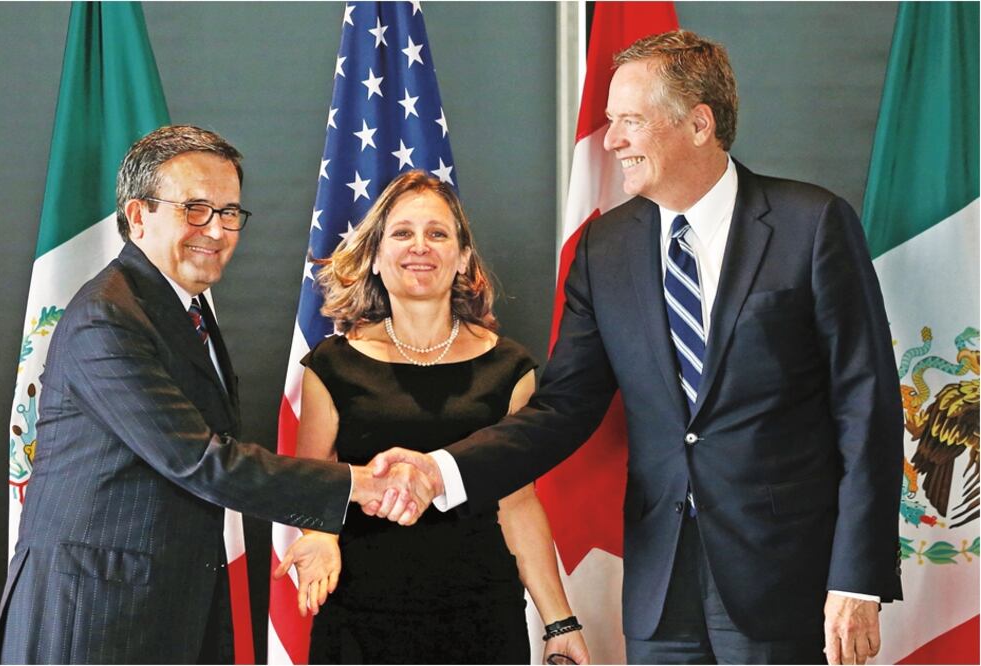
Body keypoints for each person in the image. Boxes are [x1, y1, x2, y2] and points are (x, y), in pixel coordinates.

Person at [372, 31, 904, 665]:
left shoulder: (811, 224)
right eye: (608, 122)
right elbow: (562, 408)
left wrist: (856, 578)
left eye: (630, 121)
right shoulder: (605, 249)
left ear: (699, 123)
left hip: (786, 583)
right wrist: (441, 470)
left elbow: (866, 408)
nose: (612, 140)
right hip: (659, 587)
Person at [0, 125, 428, 664]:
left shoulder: (184, 306)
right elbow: (200, 459)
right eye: (195, 209)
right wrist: (361, 483)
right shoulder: (107, 317)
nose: (216, 230)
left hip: (164, 601)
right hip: (93, 614)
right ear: (137, 216)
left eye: (229, 212)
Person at [274, 170, 590, 664]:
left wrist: (560, 622)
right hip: (359, 619)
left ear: (463, 257)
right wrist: (317, 536)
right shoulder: (330, 366)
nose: (420, 246)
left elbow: (520, 505)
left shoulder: (509, 367)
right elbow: (312, 485)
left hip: (481, 617)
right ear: (376, 257)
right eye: (402, 233)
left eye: (437, 233)